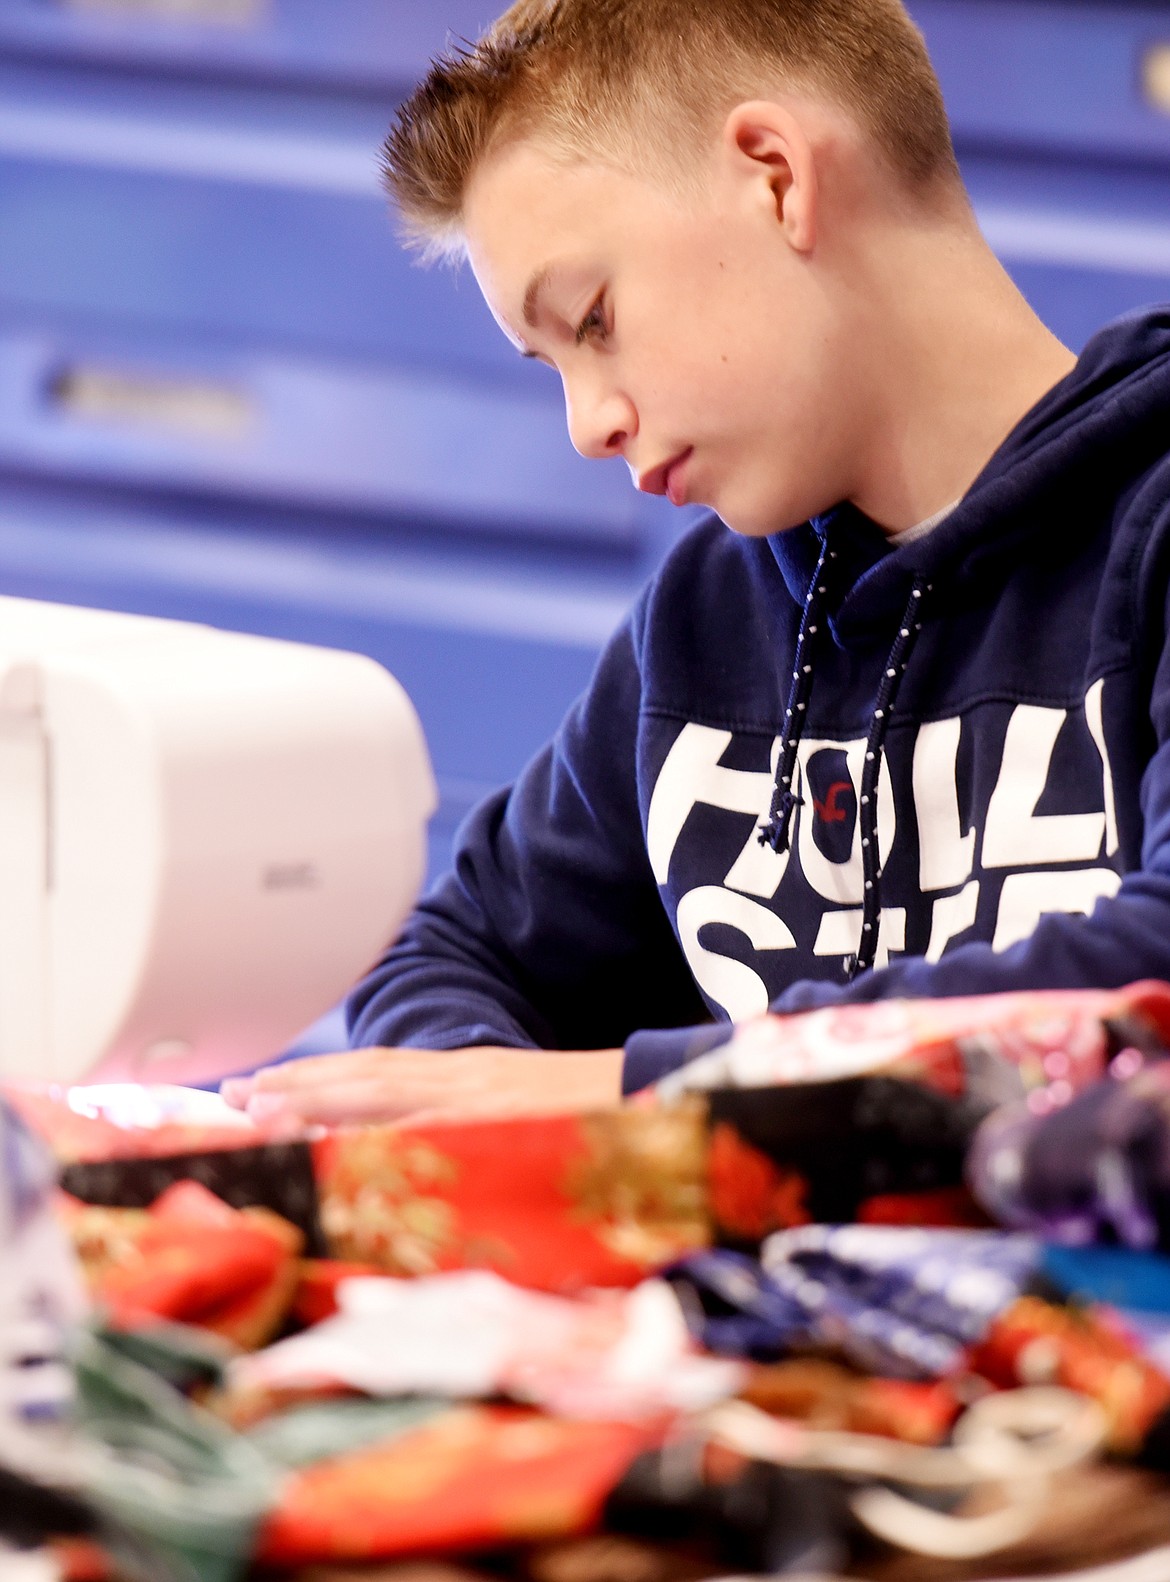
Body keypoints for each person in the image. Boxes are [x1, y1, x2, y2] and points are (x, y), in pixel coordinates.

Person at [222, 0, 1170, 1128]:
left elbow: (1152, 965)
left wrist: (627, 1089)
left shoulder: (1148, 525)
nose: (585, 426)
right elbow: (448, 956)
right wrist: (497, 1106)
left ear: (775, 178)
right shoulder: (706, 617)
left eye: (596, 317)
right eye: (549, 364)